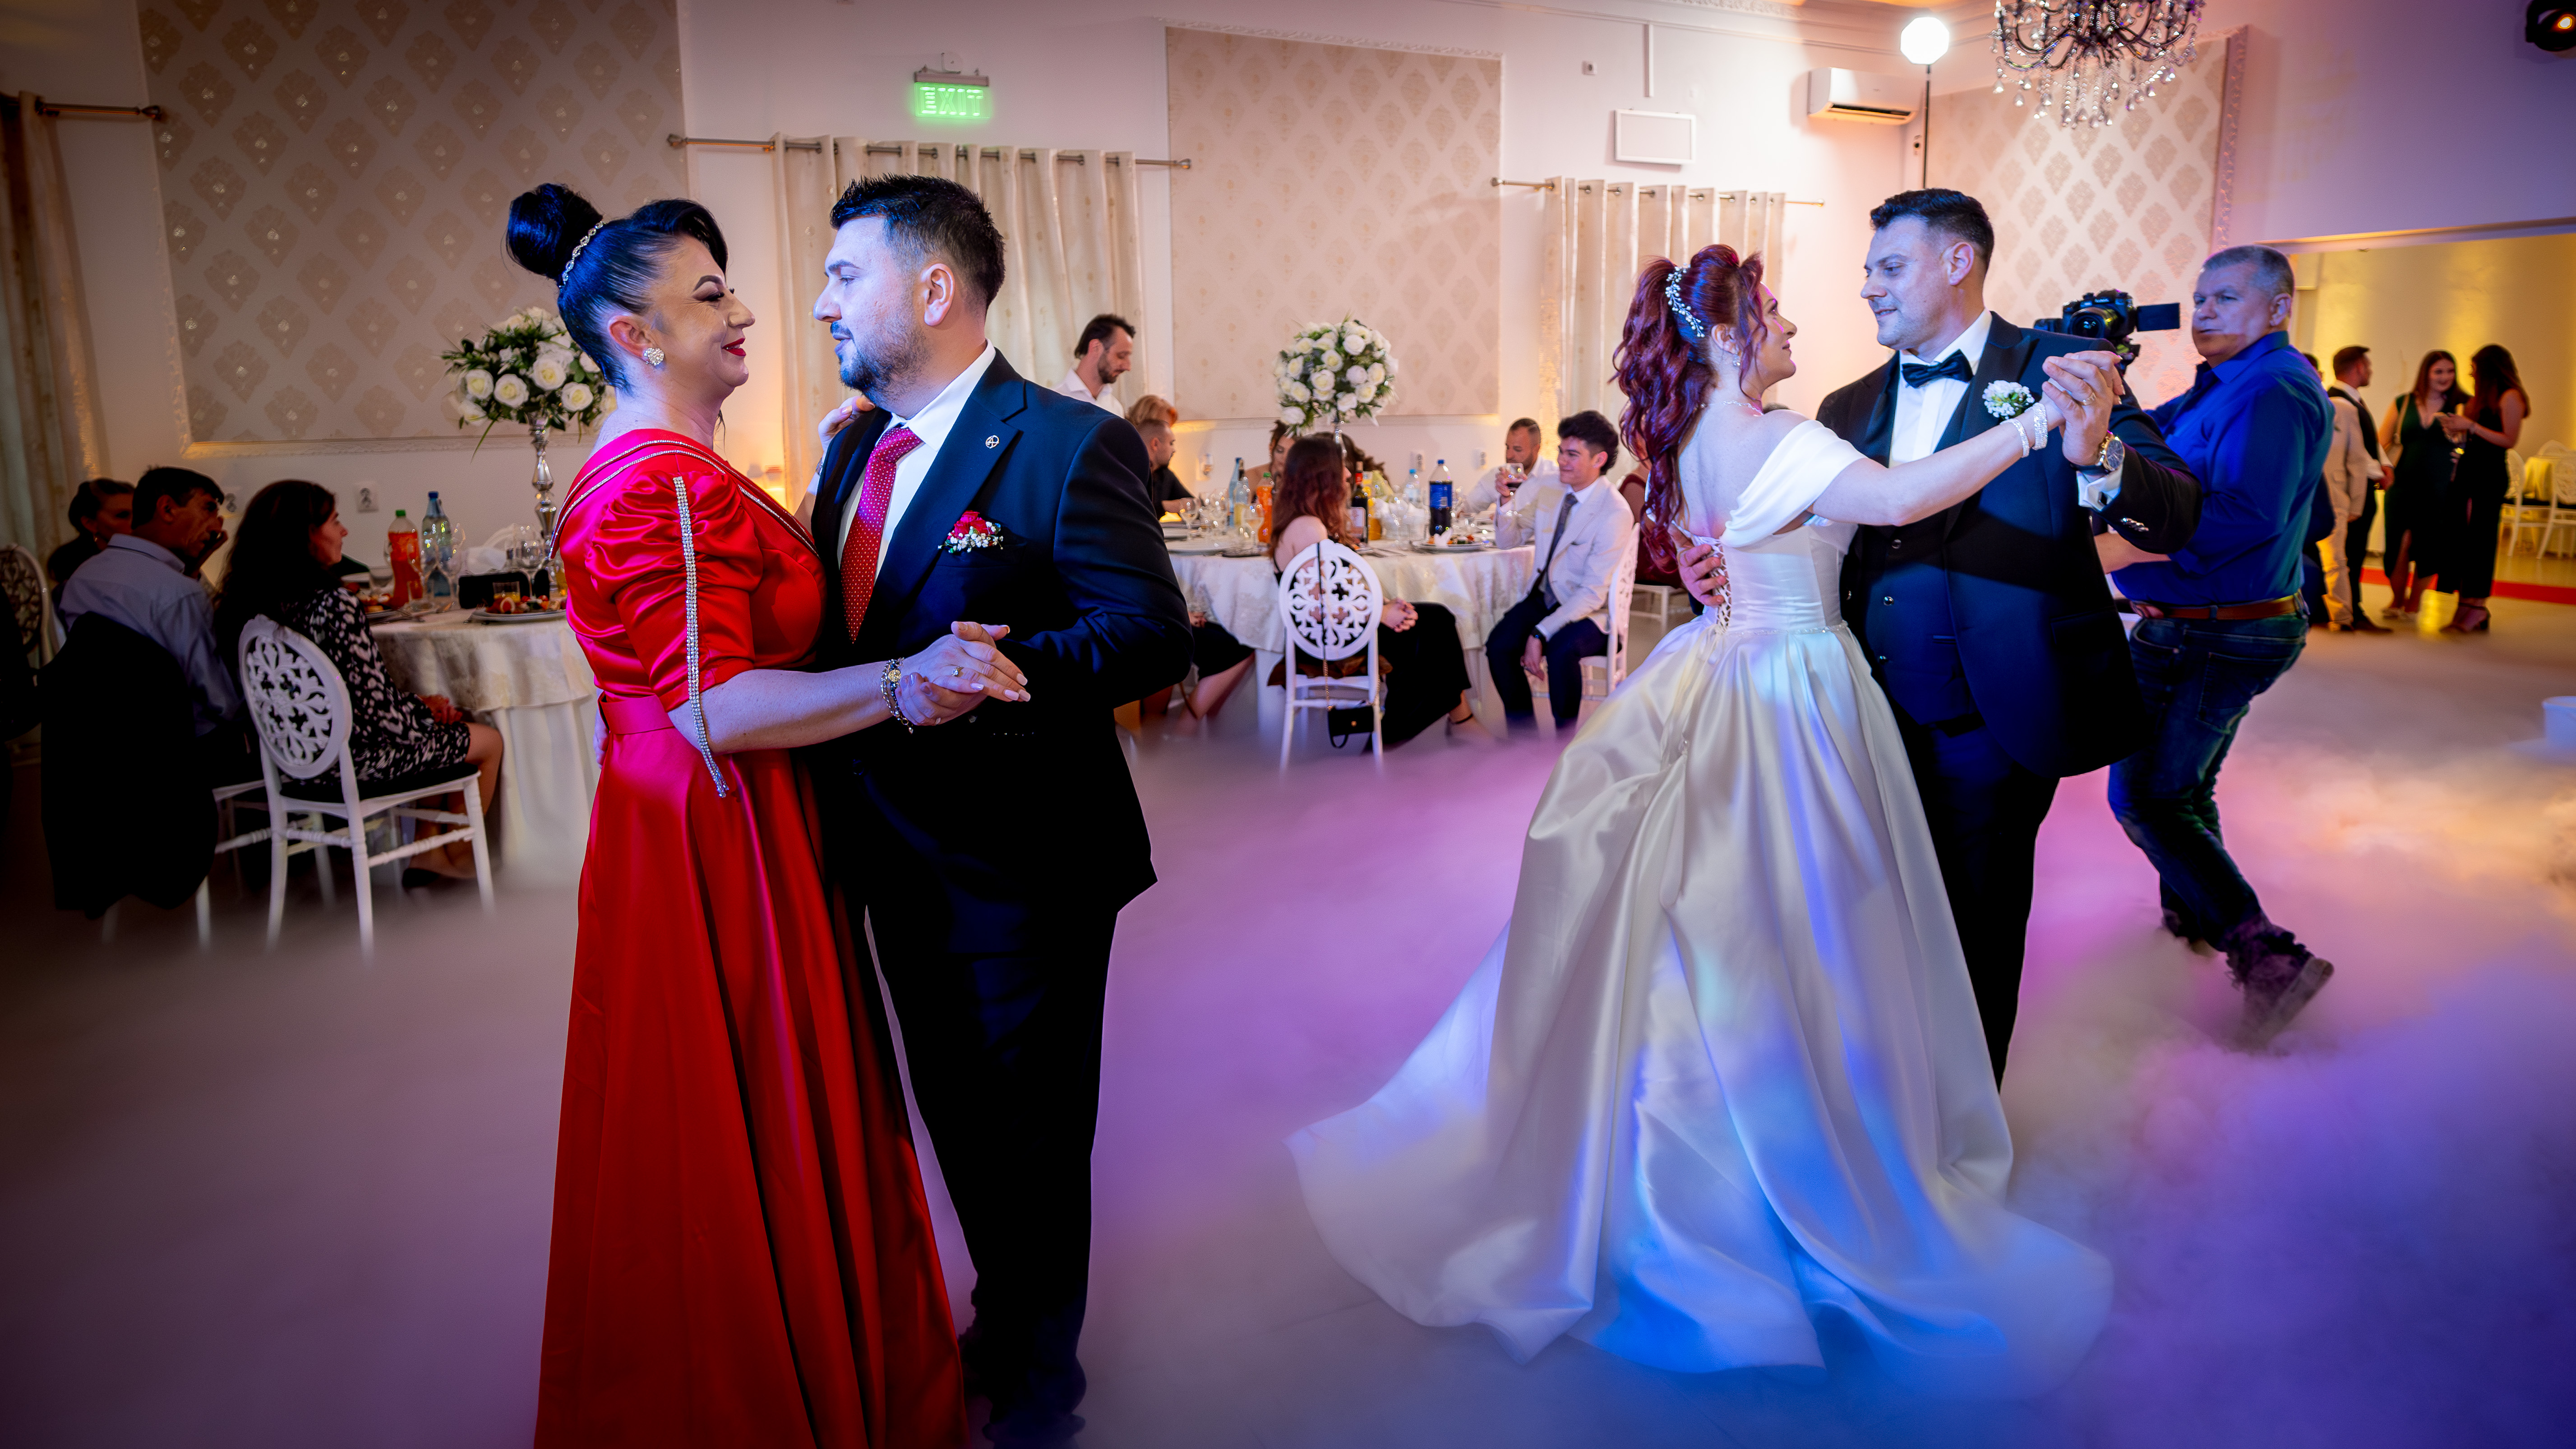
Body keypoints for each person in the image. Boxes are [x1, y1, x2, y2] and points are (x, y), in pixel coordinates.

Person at [1295, 244, 2112, 1396]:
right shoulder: (1780, 437)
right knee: (1794, 932)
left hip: (1715, 669)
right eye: (1772, 313)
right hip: (1793, 687)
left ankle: (1674, 1169)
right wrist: (2034, 426)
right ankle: (1783, 1173)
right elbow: (1893, 501)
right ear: (1727, 337)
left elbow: (1713, 549)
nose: (1791, 328)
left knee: (1702, 931)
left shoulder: (1680, 445)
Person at [505, 183, 985, 1449]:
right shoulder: (653, 486)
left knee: (744, 1110)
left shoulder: (675, 468)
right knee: (748, 1104)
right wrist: (905, 680)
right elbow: (713, 705)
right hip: (719, 829)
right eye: (711, 294)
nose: (748, 313)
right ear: (634, 336)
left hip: (708, 815)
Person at [806, 173, 1191, 1449]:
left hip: (1023, 863)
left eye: (843, 276)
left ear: (933, 288)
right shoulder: (853, 449)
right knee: (957, 1120)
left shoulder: (1068, 441)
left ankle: (1039, 1384)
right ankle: (1001, 1313)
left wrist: (995, 671)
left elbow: (1148, 632)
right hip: (889, 855)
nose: (823, 305)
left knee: (1029, 1140)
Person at [1791, 189, 2202, 1079]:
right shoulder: (1843, 404)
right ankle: (1880, 1091)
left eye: (1888, 266)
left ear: (1957, 262)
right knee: (1867, 914)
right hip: (1860, 712)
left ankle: (1962, 1122)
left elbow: (2175, 516)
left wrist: (2099, 454)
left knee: (1976, 923)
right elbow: (1818, 538)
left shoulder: (2064, 369)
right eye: (1867, 270)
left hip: (1997, 712)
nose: (1867, 287)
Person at [2101, 245, 2336, 1046]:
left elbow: (2243, 515)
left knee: (2146, 797)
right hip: (2202, 622)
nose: (2204, 312)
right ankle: (2195, 923)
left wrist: (2121, 550)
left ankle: (2268, 958)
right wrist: (2108, 383)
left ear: (2278, 308)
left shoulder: (2272, 389)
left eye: (2226, 298)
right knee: (2184, 789)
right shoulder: (2222, 383)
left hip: (2218, 629)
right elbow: (2151, 449)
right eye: (2200, 298)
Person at [212, 480, 502, 884]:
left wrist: (419, 708)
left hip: (293, 764)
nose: (344, 530)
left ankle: (430, 852)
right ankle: (458, 853)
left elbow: (347, 696)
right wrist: (426, 712)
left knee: (434, 731)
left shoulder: (246, 606)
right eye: (334, 521)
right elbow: (385, 719)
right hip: (357, 763)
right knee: (487, 740)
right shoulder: (334, 604)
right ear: (306, 535)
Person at [1267, 435, 1476, 744]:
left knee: (1435, 621)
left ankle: (1438, 724)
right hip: (1328, 642)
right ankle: (1413, 732)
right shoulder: (1309, 528)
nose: (1348, 474)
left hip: (1339, 630)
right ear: (1321, 475)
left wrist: (1388, 605)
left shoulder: (1306, 521)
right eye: (1341, 467)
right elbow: (1321, 608)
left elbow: (1338, 591)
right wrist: (1380, 614)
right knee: (1434, 628)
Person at [57, 466, 254, 784]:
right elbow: (222, 702)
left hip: (104, 745)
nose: (217, 525)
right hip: (184, 751)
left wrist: (190, 571)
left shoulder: (83, 576)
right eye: (208, 509)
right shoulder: (178, 593)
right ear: (167, 509)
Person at [1482, 411, 1634, 732]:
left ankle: (1564, 742)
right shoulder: (1550, 488)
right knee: (1499, 646)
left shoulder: (1614, 512)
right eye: (1561, 452)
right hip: (1545, 596)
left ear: (1599, 460)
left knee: (1561, 648)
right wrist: (1506, 501)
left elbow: (1592, 594)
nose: (1561, 461)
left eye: (1572, 455)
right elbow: (1508, 541)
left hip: (1593, 612)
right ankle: (1523, 736)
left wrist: (1540, 632)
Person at [2429, 344, 2528, 634]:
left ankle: (2477, 606)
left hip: (2489, 474)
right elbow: (2471, 439)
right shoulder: (2480, 399)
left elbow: (2509, 440)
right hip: (2468, 472)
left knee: (2480, 541)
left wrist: (2471, 426)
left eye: (2474, 368)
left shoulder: (2511, 396)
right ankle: (2465, 603)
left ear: (2489, 368)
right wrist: (2457, 432)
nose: (2471, 373)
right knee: (2460, 540)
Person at [2377, 350, 2465, 622]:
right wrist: (2382, 471)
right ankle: (2397, 599)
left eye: (2450, 371)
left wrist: (2460, 446)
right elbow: (2382, 442)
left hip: (2440, 487)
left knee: (2428, 545)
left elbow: (2468, 446)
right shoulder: (2403, 403)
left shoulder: (2461, 405)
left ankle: (2415, 603)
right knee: (2399, 544)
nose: (2445, 377)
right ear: (2426, 373)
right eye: (2438, 371)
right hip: (2402, 484)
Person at [2323, 347, 2391, 633]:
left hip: (2358, 488)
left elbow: (2367, 445)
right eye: (2368, 366)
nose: (2371, 371)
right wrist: (2380, 472)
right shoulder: (2338, 402)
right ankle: (2350, 612)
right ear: (2359, 367)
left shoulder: (2354, 401)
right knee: (2348, 554)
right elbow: (2353, 454)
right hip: (2349, 491)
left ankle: (2350, 610)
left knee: (2354, 553)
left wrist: (2385, 465)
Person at [1457, 416, 1558, 517]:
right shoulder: (1499, 476)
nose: (1509, 455)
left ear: (1536, 449)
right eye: (1508, 447)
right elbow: (1466, 511)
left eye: (1518, 450)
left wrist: (1504, 517)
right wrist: (1498, 519)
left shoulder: (1554, 476)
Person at [45, 477, 132, 592]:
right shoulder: (78, 569)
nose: (137, 522)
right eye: (123, 515)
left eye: (141, 513)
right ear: (90, 524)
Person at [1056, 311, 1132, 413]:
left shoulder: (1116, 408)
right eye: (1121, 356)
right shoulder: (1054, 402)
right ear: (1096, 348)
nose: (1128, 367)